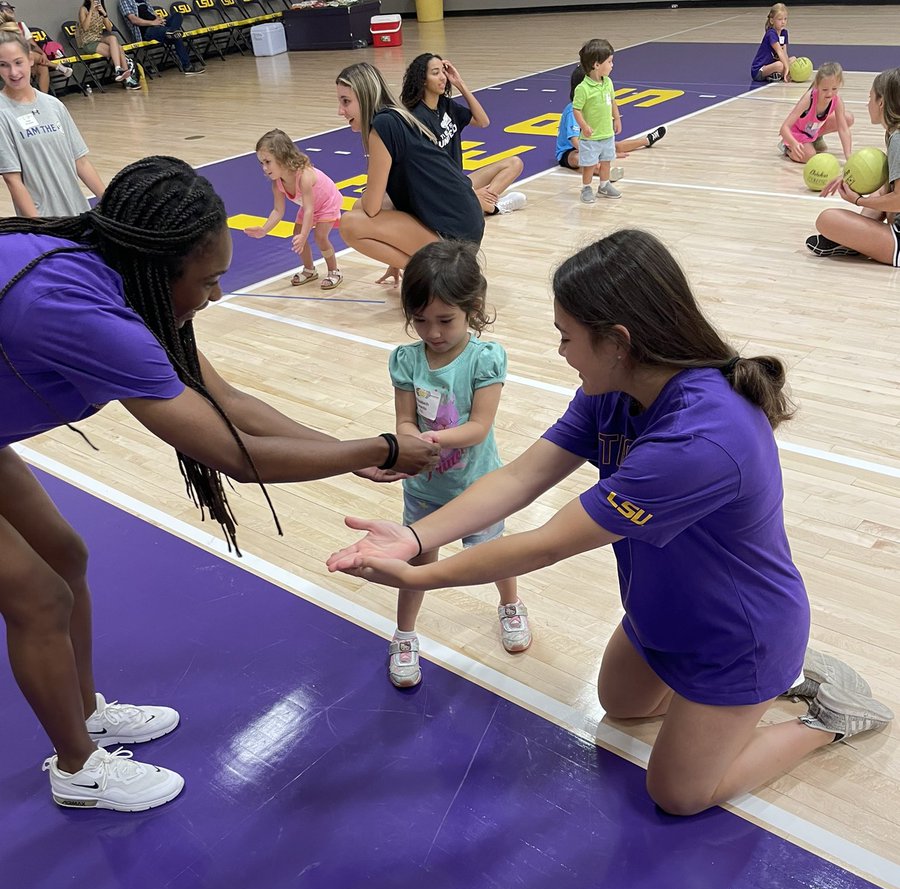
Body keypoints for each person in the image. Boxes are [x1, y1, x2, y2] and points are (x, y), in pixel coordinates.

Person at [327, 228, 893, 817]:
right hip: (660, 605)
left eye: (565, 336)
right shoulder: (615, 389)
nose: (561, 351)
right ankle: (756, 695)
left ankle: (826, 718)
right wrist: (415, 538)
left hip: (735, 636)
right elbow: (521, 477)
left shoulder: (700, 440)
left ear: (617, 341)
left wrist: (420, 575)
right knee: (621, 705)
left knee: (678, 794)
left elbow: (547, 544)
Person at [0, 155, 439, 812]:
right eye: (208, 282)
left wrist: (349, 454)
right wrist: (380, 447)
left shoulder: (124, 279)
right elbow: (236, 454)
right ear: (159, 267)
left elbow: (228, 401)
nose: (216, 296)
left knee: (65, 555)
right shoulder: (82, 314)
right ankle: (77, 768)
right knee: (38, 598)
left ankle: (84, 712)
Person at [384, 241, 531, 688]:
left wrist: (428, 439)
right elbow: (404, 419)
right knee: (416, 562)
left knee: (493, 555)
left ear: (473, 308)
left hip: (478, 487)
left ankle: (510, 604)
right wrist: (405, 442)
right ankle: (404, 635)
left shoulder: (484, 358)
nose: (432, 332)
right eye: (420, 320)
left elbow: (479, 427)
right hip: (424, 490)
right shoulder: (407, 360)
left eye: (445, 320)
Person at [335, 62, 485, 285]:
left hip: (456, 236)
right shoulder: (397, 115)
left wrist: (370, 194)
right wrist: (393, 260)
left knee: (350, 224)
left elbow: (372, 207)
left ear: (365, 96)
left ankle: (444, 276)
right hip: (468, 222)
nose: (340, 111)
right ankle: (436, 271)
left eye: (346, 101)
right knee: (364, 207)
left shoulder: (382, 126)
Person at [400, 53, 527, 216]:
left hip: (457, 183)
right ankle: (492, 207)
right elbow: (427, 172)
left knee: (514, 163)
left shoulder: (446, 105)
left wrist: (460, 83)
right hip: (437, 190)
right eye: (435, 73)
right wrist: (467, 191)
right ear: (422, 80)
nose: (442, 77)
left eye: (443, 72)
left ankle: (480, 203)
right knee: (466, 197)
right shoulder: (417, 117)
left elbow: (483, 121)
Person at [0, 31, 105, 217]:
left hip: (78, 214)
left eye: (18, 62)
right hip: (44, 221)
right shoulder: (2, 112)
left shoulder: (53, 105)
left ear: (30, 59)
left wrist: (109, 203)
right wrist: (40, 227)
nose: (13, 72)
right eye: (3, 65)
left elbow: (80, 161)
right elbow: (13, 180)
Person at [806, 68, 900, 263]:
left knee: (827, 219)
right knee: (880, 192)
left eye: (870, 97)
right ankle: (855, 241)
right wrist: (853, 175)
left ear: (881, 102)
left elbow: (898, 200)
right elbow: (888, 179)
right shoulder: (894, 133)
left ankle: (855, 242)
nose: (867, 103)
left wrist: (858, 201)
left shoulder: (897, 139)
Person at [243, 128, 344, 290]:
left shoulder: (304, 176)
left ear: (282, 158)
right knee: (297, 234)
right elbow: (278, 211)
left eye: (268, 162)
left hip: (327, 202)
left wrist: (305, 235)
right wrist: (264, 230)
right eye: (261, 163)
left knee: (320, 237)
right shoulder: (277, 183)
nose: (264, 168)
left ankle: (334, 271)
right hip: (310, 204)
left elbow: (309, 210)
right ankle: (309, 270)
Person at [556, 65, 665, 178]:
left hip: (590, 143)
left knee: (615, 146)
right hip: (569, 150)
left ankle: (647, 140)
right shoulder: (572, 111)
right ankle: (604, 172)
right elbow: (574, 140)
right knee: (577, 158)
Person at [573, 39, 622, 204]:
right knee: (589, 164)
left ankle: (604, 185)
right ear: (596, 65)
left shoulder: (608, 83)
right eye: (609, 62)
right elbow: (576, 109)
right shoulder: (583, 88)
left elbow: (613, 102)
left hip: (607, 133)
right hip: (591, 137)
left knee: (606, 161)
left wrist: (617, 118)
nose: (612, 65)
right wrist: (584, 126)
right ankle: (586, 188)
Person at [779, 62, 853, 163]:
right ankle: (787, 147)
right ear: (817, 86)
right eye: (825, 89)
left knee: (848, 118)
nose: (830, 93)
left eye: (834, 89)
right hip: (797, 132)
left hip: (812, 129)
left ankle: (815, 139)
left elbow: (843, 129)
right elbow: (784, 128)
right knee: (809, 155)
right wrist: (793, 142)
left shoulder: (837, 100)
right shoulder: (808, 99)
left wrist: (848, 155)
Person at [0, 2, 73, 91]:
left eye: (11, 10)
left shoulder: (20, 25)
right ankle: (57, 66)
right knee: (27, 56)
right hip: (6, 59)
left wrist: (42, 53)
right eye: (6, 10)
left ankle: (43, 96)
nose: (10, 12)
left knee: (42, 66)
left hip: (24, 56)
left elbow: (32, 44)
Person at [117, 0, 203, 74]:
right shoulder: (125, 1)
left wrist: (159, 20)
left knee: (178, 15)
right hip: (146, 31)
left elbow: (152, 15)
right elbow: (133, 20)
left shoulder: (143, 0)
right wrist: (153, 23)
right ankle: (187, 66)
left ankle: (171, 31)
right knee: (177, 37)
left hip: (158, 26)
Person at [76, 0, 138, 89]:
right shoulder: (84, 9)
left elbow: (109, 29)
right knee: (119, 49)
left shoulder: (100, 9)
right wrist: (91, 11)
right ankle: (127, 79)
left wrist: (104, 14)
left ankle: (118, 69)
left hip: (98, 38)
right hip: (88, 42)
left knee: (113, 38)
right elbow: (85, 27)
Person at [750, 4, 796, 84]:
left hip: (773, 65)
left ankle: (777, 74)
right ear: (772, 21)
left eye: (785, 19)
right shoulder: (771, 33)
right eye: (780, 19)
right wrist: (787, 68)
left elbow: (784, 53)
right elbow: (779, 52)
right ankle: (777, 74)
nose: (783, 22)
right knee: (780, 65)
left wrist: (787, 66)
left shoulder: (784, 33)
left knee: (793, 59)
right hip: (760, 71)